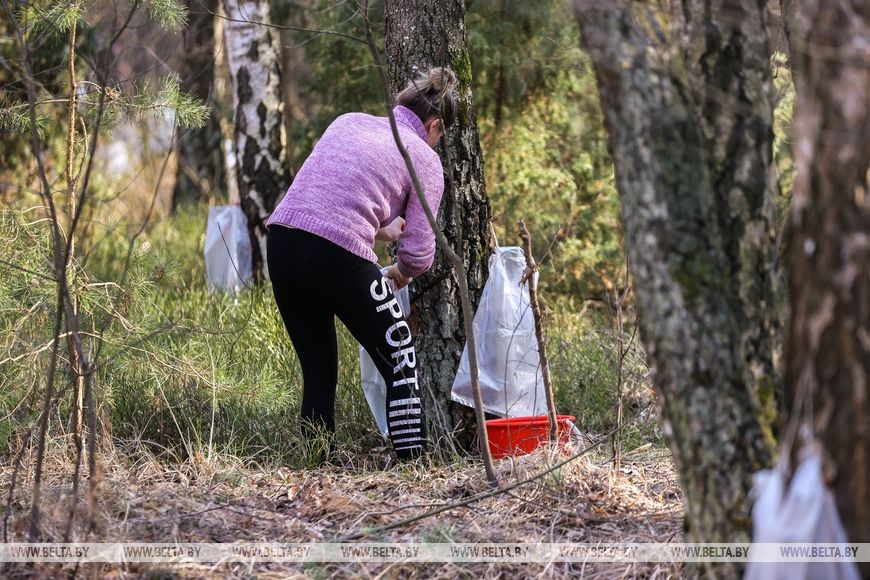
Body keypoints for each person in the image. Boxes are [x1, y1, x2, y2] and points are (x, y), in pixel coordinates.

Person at [265, 67, 459, 461]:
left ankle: (317, 469)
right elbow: (420, 251)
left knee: (318, 369)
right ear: (434, 124)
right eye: (439, 135)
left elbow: (330, 197)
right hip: (337, 256)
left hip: (283, 240)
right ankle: (413, 467)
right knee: (401, 357)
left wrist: (380, 230)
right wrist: (401, 273)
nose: (436, 143)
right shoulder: (421, 156)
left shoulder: (349, 122)